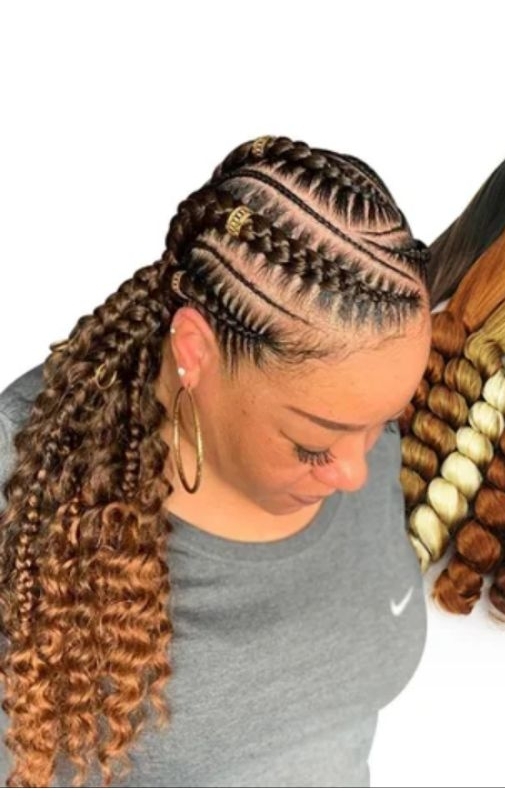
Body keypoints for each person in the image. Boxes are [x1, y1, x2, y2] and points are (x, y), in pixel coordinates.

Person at [0, 135, 433, 787]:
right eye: (314, 444)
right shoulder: (25, 487)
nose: (357, 475)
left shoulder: (352, 412)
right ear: (195, 352)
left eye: (385, 423)